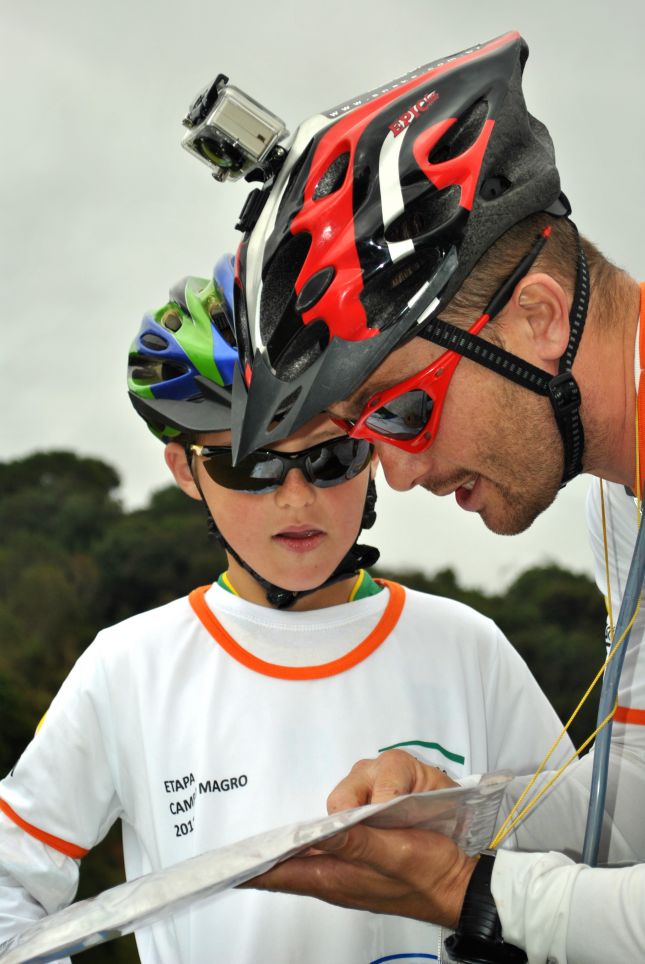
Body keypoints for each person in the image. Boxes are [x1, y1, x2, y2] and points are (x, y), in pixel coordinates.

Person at [214, 29, 645, 964]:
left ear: (534, 317)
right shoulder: (619, 501)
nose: (397, 474)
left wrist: (474, 892)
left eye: (403, 407)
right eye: (368, 436)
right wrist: (456, 808)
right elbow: (635, 804)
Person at [0, 259, 571, 964]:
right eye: (252, 466)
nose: (296, 499)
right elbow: (11, 882)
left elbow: (578, 867)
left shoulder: (466, 646)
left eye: (331, 458)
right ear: (185, 471)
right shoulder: (128, 666)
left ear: (374, 446)